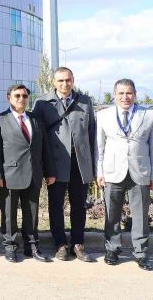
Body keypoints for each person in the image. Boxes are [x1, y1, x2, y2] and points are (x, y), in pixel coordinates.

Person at [32, 67, 97, 261]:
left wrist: (93, 165)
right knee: (56, 205)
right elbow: (38, 136)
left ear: (73, 80)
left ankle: (78, 243)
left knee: (79, 205)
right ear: (54, 82)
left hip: (79, 163)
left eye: (68, 80)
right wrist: (43, 166)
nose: (64, 84)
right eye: (60, 80)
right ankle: (60, 243)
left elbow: (91, 134)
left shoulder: (85, 102)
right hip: (55, 163)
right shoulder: (42, 103)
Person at [97, 79, 153, 271]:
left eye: (129, 93)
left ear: (135, 94)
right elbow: (99, 147)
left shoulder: (150, 115)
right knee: (112, 214)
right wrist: (99, 171)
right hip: (112, 171)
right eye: (121, 93)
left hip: (140, 171)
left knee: (140, 215)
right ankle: (112, 249)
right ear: (114, 95)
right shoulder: (103, 115)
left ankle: (141, 253)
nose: (125, 97)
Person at [0, 84, 56, 262]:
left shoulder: (36, 119)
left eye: (25, 96)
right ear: (9, 98)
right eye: (17, 96)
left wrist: (49, 172)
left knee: (32, 214)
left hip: (33, 173)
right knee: (9, 214)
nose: (21, 99)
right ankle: (10, 247)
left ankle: (32, 246)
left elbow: (44, 147)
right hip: (9, 175)